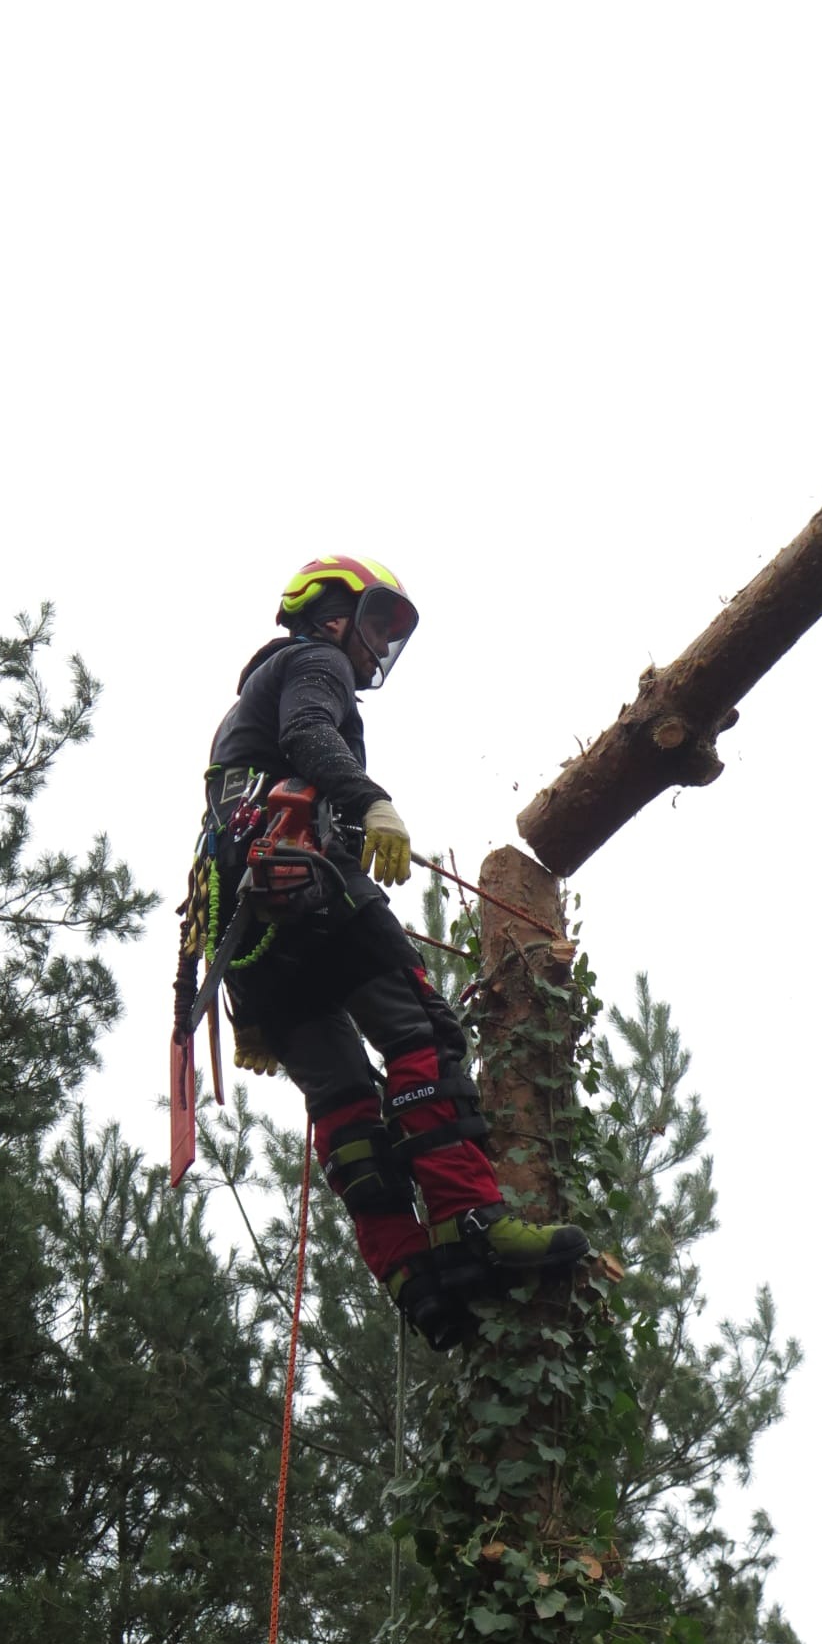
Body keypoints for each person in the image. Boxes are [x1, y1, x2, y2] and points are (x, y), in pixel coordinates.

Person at [202, 554, 589, 1351]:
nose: (380, 645)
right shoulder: (311, 663)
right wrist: (370, 801)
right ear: (333, 612)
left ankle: (414, 1279)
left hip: (247, 929)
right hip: (306, 884)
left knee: (345, 1101)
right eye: (376, 622)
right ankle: (471, 1223)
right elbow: (310, 733)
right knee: (424, 1036)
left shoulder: (244, 706)